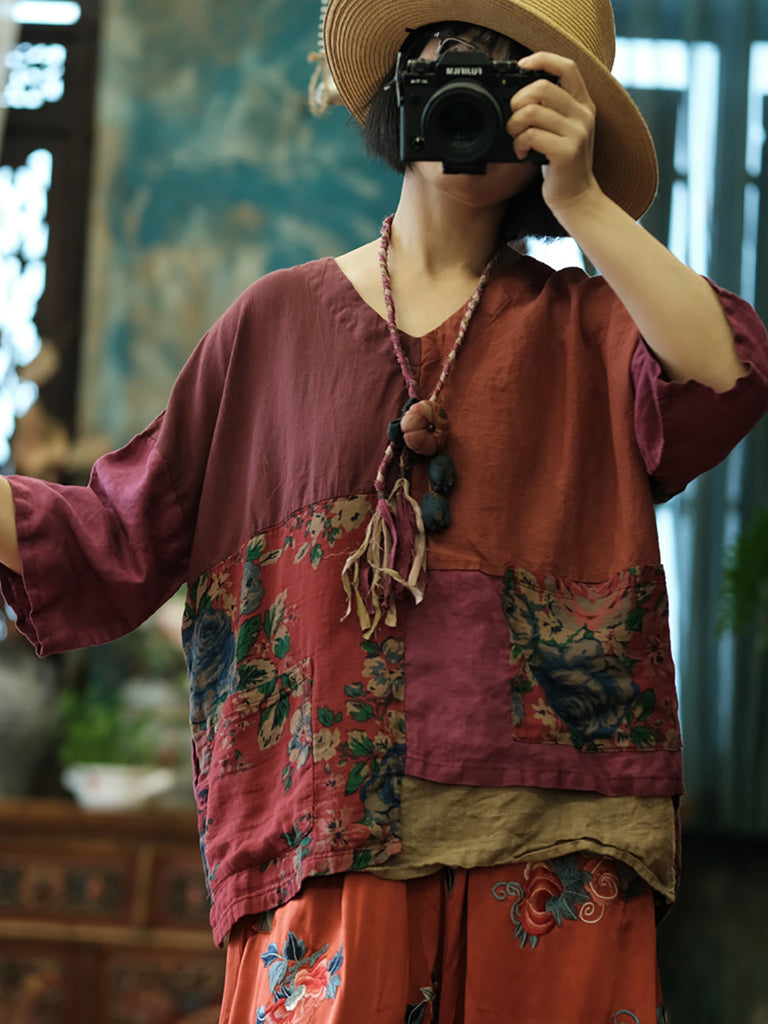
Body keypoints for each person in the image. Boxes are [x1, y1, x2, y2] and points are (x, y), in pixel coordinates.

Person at [1, 0, 768, 1020]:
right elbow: (116, 533)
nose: (475, 84)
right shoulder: (272, 324)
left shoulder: (593, 327)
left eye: (515, 71)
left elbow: (724, 376)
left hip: (556, 840)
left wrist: (583, 202)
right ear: (400, 79)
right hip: (328, 834)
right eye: (452, 53)